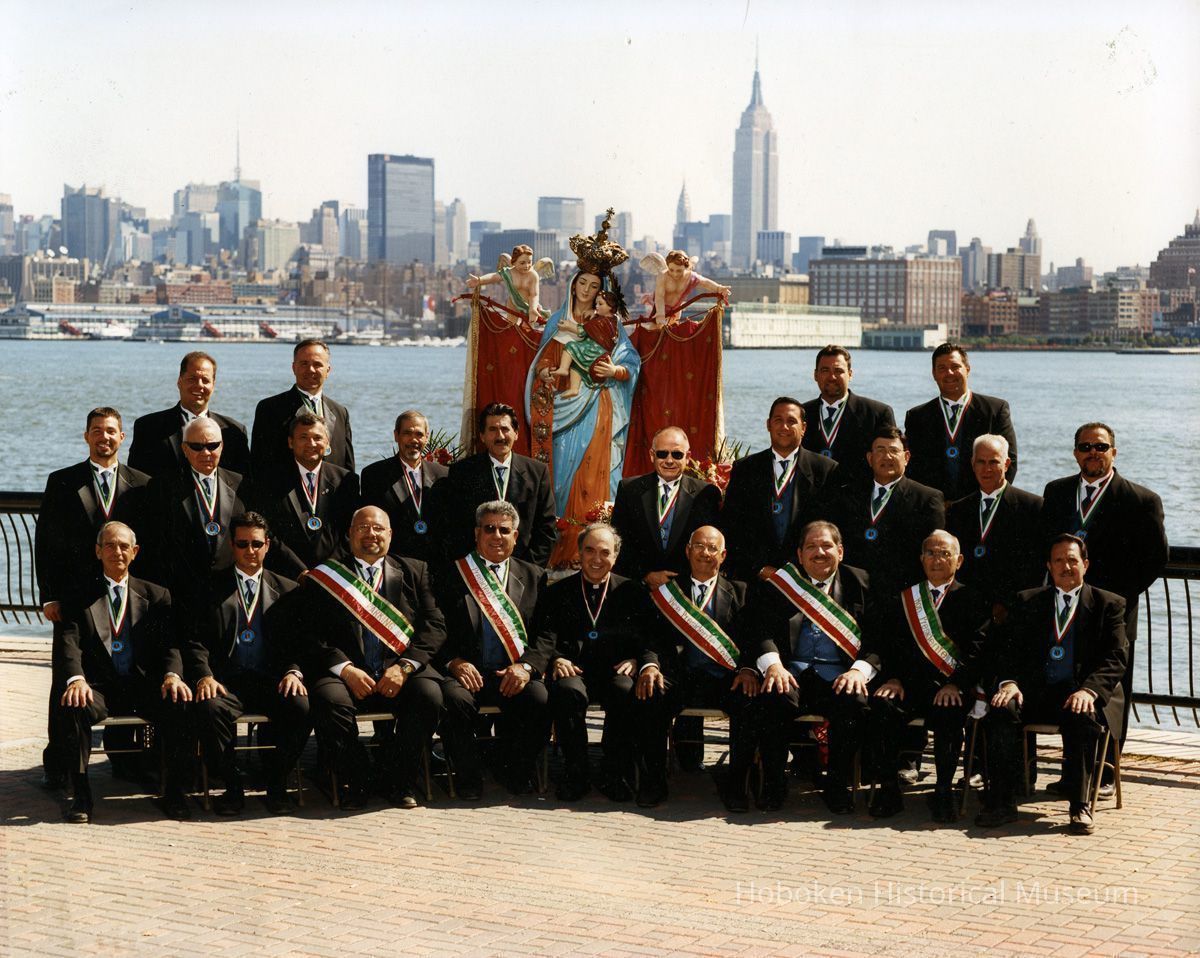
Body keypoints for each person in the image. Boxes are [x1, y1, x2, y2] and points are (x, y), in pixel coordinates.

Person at [296, 506, 447, 809]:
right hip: (349, 674)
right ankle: (359, 779)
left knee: (429, 694)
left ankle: (399, 780)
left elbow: (434, 626)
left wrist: (404, 667)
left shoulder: (414, 570)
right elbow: (310, 634)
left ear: (390, 534)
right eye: (363, 528)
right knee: (329, 699)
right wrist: (346, 669)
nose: (371, 535)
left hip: (398, 672)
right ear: (350, 534)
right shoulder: (325, 576)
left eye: (378, 528)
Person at [976, 535, 1128, 836]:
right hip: (1036, 691)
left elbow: (1115, 657)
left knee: (1081, 714)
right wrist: (1010, 683)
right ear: (1048, 565)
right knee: (1000, 709)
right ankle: (1003, 802)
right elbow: (1007, 650)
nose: (1066, 566)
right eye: (1058, 560)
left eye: (1072, 559)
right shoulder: (1028, 601)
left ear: (1085, 564)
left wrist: (1089, 690)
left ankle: (1080, 806)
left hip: (1080, 690)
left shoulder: (1108, 604)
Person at [1039, 422, 1167, 781]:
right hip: (1064, 609)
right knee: (1068, 686)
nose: (1093, 453)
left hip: (1112, 612)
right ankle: (1072, 775)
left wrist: (1113, 600)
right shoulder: (1057, 492)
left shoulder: (1141, 500)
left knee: (1110, 691)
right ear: (1075, 452)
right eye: (1085, 446)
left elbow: (1154, 560)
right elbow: (1042, 546)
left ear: (1114, 451)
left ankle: (1106, 773)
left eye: (1100, 446)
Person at [36, 406, 151, 787]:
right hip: (76, 601)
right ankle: (59, 764)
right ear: (86, 436)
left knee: (122, 673)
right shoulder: (63, 481)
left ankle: (124, 759)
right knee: (68, 681)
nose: (105, 437)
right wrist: (49, 595)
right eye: (97, 431)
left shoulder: (142, 483)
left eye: (112, 431)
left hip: (122, 594)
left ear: (123, 438)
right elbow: (46, 542)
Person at [50, 521, 193, 822]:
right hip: (99, 687)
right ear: (98, 551)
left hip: (141, 686)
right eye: (110, 545)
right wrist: (76, 680)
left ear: (135, 552)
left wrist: (172, 675)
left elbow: (170, 647)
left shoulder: (156, 595)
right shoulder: (79, 594)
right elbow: (69, 643)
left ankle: (174, 793)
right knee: (74, 702)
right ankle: (81, 794)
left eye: (124, 546)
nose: (118, 551)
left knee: (178, 700)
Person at [525, 227, 641, 566]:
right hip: (562, 407)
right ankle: (562, 546)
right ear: (573, 284)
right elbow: (542, 361)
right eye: (583, 283)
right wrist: (545, 374)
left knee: (595, 472)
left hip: (599, 406)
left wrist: (615, 373)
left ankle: (594, 547)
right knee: (561, 476)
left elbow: (630, 361)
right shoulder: (558, 322)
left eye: (595, 286)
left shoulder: (611, 324)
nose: (588, 291)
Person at [860, 531, 991, 822]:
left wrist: (956, 683)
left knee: (949, 710)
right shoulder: (905, 599)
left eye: (944, 554)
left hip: (951, 687)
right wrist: (892, 679)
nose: (937, 559)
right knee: (881, 705)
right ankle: (889, 789)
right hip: (908, 687)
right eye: (931, 553)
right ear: (921, 559)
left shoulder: (973, 598)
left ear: (959, 561)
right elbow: (887, 646)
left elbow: (978, 651)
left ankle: (943, 791)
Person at [745, 521, 874, 814]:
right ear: (799, 555)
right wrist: (774, 666)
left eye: (827, 546)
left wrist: (858, 671)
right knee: (773, 697)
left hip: (840, 674)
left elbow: (877, 637)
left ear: (840, 551)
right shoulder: (781, 586)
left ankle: (837, 787)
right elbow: (761, 630)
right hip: (793, 672)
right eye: (811, 547)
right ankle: (774, 786)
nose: (820, 552)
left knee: (854, 702)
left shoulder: (861, 582)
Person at [185, 512, 310, 816]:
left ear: (267, 545)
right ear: (232, 545)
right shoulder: (209, 588)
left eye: (256, 544)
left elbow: (300, 643)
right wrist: (204, 676)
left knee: (301, 706)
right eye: (242, 544)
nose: (250, 551)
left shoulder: (289, 590)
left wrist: (294, 671)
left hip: (270, 680)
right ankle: (232, 787)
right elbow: (194, 640)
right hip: (226, 681)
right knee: (210, 708)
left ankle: (277, 784)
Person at [632, 526, 757, 810]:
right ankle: (653, 782)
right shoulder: (667, 594)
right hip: (680, 677)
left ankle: (736, 786)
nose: (705, 553)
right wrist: (650, 665)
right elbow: (652, 637)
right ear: (687, 551)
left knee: (750, 699)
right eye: (699, 546)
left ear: (723, 556)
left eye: (712, 548)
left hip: (725, 679)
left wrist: (749, 669)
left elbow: (752, 639)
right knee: (650, 693)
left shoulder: (741, 592)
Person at [435, 501, 550, 798]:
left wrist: (526, 667)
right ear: (476, 534)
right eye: (489, 529)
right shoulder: (452, 574)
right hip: (467, 674)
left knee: (539, 698)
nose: (496, 536)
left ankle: (515, 769)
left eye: (504, 530)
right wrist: (453, 662)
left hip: (512, 673)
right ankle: (468, 776)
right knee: (452, 699)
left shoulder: (534, 575)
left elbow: (547, 634)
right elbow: (434, 628)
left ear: (515, 536)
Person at [537, 523, 641, 801]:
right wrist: (556, 659)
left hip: (615, 669)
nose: (597, 559)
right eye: (590, 551)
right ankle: (576, 773)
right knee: (567, 691)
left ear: (615, 557)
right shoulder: (558, 591)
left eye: (605, 552)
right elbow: (546, 635)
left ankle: (613, 773)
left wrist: (635, 658)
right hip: (575, 667)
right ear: (579, 554)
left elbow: (645, 636)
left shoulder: (631, 591)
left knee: (625, 691)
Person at [624, 248, 727, 478]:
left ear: (686, 268)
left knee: (673, 334)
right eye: (671, 270)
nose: (674, 274)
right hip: (659, 314)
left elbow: (706, 284)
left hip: (675, 315)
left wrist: (720, 289)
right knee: (654, 334)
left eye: (678, 270)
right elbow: (659, 298)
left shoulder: (690, 277)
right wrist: (659, 316)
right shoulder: (663, 277)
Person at [142, 417, 254, 618]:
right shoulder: (162, 487)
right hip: (180, 596)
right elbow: (154, 545)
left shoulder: (242, 485)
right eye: (197, 446)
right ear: (184, 449)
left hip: (229, 595)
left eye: (212, 445)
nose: (206, 453)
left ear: (222, 447)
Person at [720, 396, 838, 584]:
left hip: (807, 580)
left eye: (792, 421)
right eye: (778, 420)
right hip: (755, 579)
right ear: (768, 425)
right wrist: (759, 568)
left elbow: (832, 528)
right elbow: (732, 527)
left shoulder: (826, 470)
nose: (784, 427)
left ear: (804, 428)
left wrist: (798, 572)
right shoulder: (745, 469)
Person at [830, 426, 945, 599]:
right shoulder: (848, 495)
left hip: (901, 597)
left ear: (906, 457)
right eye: (880, 450)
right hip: (852, 594)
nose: (887, 456)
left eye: (893, 450)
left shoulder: (927, 499)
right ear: (870, 458)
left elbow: (931, 553)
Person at [443, 402, 556, 566]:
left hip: (522, 570)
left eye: (505, 429)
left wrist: (528, 571)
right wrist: (471, 568)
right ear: (482, 435)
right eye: (493, 430)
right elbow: (453, 528)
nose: (500, 436)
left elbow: (547, 530)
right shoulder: (461, 472)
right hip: (475, 572)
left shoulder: (537, 473)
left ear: (516, 433)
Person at [946, 434, 1043, 622]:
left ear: (1007, 464)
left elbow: (1036, 566)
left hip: (1012, 611)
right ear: (972, 464)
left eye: (994, 462)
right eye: (981, 462)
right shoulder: (957, 510)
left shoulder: (1032, 506)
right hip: (966, 608)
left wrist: (1008, 605)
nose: (987, 469)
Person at [903, 342, 1018, 501]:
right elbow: (911, 468)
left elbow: (1009, 461)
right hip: (934, 508)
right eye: (941, 368)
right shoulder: (917, 416)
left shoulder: (995, 410)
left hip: (979, 506)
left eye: (955, 367)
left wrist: (988, 502)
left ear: (967, 370)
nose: (949, 373)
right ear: (934, 373)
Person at [611, 426, 722, 587]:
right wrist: (646, 575)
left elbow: (712, 548)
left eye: (677, 454)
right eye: (662, 454)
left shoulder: (706, 494)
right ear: (651, 455)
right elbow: (618, 542)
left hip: (686, 592)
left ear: (688, 456)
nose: (669, 460)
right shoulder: (629, 490)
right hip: (639, 588)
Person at [260, 410, 360, 577]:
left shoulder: (347, 481)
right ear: (290, 442)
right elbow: (269, 532)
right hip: (288, 575)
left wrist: (328, 570)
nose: (311, 443)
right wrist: (299, 571)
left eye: (318, 438)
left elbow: (351, 531)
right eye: (303, 437)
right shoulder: (271, 481)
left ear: (328, 443)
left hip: (335, 575)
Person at [128, 351, 251, 479]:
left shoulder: (234, 432)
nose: (199, 385)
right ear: (179, 382)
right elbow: (136, 482)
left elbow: (243, 485)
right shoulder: (149, 427)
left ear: (213, 385)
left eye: (205, 380)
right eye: (192, 379)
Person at [251, 339, 354, 481]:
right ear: (294, 368)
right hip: (288, 498)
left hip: (333, 499)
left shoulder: (340, 412)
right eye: (304, 363)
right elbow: (259, 463)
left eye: (317, 364)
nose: (311, 369)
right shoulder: (270, 408)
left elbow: (347, 467)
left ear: (328, 370)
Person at [360, 410, 448, 569]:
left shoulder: (444, 475)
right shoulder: (374, 475)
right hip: (394, 565)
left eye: (419, 434)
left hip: (436, 564)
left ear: (426, 438)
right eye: (407, 433)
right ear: (396, 435)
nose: (413, 440)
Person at [800, 345, 895, 482]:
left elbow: (889, 466)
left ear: (850, 374)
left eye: (839, 371)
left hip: (859, 500)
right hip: (810, 500)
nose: (832, 377)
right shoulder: (800, 414)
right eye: (825, 370)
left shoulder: (877, 413)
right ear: (815, 375)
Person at [547, 288, 621, 400]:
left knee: (571, 346)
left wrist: (568, 326)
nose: (596, 306)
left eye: (600, 304)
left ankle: (563, 368)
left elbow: (583, 330)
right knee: (576, 364)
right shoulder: (613, 320)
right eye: (596, 303)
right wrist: (595, 312)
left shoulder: (601, 322)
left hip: (595, 352)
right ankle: (574, 388)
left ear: (610, 306)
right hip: (600, 354)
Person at [466, 244, 552, 325]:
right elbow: (494, 277)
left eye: (529, 262)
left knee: (528, 330)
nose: (527, 266)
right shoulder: (509, 273)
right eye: (522, 263)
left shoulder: (533, 275)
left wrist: (532, 308)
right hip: (513, 304)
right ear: (514, 262)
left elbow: (534, 294)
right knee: (511, 327)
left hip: (529, 306)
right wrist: (480, 280)